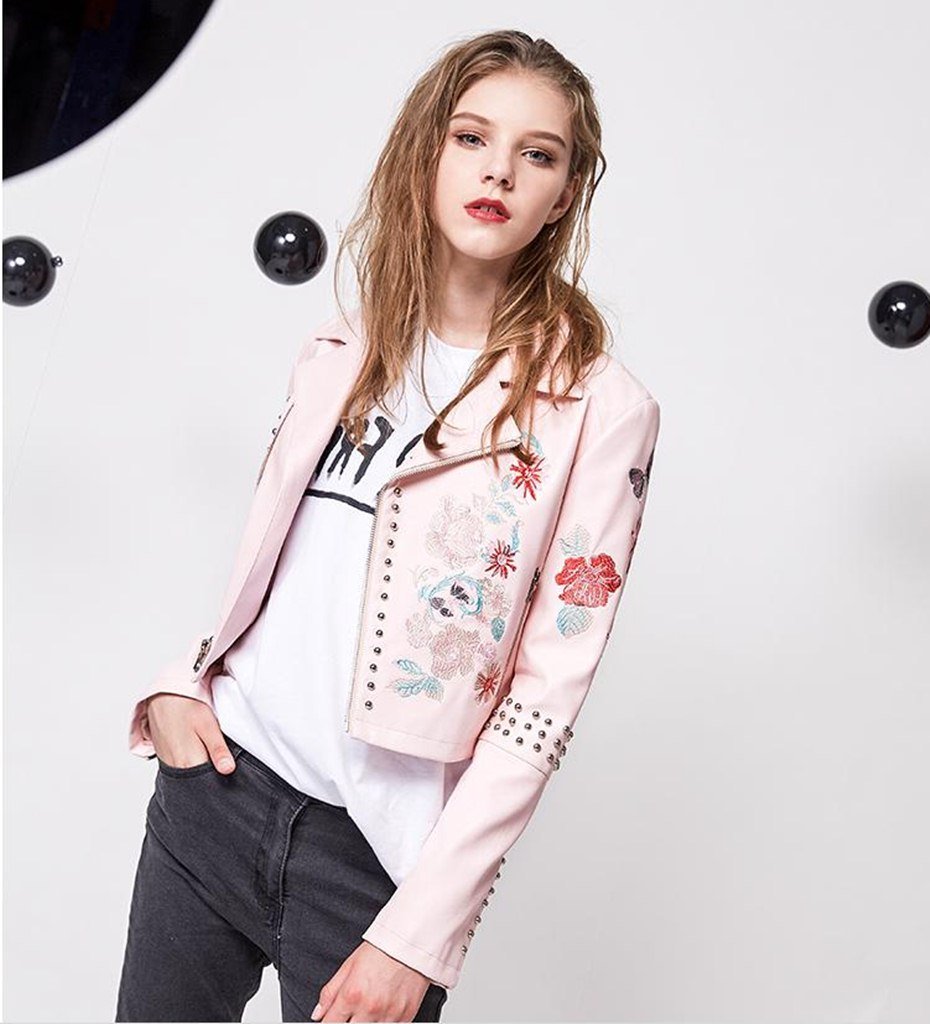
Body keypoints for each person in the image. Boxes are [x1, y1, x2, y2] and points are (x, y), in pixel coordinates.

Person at [116, 28, 661, 1024]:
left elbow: (544, 702)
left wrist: (418, 934)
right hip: (217, 794)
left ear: (565, 193)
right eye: (471, 137)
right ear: (427, 151)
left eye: (538, 154)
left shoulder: (597, 409)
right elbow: (282, 571)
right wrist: (179, 683)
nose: (498, 171)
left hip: (372, 864)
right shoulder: (342, 345)